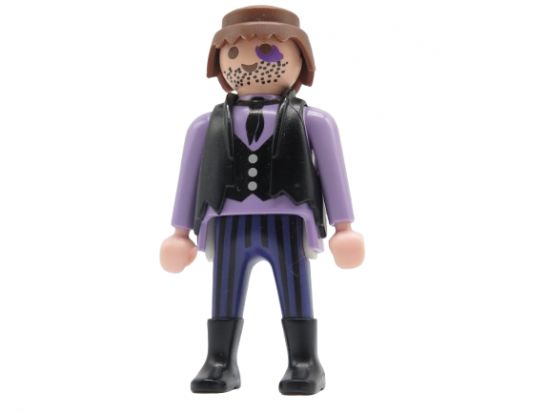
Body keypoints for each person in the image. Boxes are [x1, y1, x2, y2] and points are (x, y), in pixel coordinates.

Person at [160, 5, 364, 395]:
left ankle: (304, 362)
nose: (250, 63)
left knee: (295, 288)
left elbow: (333, 172)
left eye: (267, 51)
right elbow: (188, 178)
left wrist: (344, 226)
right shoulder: (205, 125)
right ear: (220, 65)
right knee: (224, 291)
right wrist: (179, 232)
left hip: (287, 222)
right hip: (227, 223)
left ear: (300, 60)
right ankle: (220, 361)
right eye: (235, 53)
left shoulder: (313, 121)